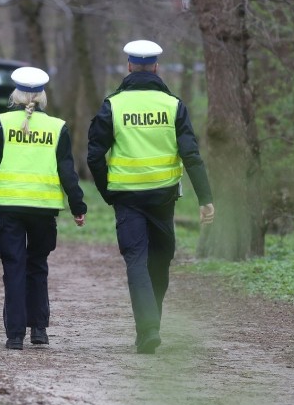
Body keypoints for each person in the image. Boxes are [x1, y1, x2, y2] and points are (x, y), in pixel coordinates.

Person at [87, 40, 215, 355]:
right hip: (163, 199)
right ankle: (150, 326)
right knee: (160, 261)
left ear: (129, 66)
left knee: (136, 261)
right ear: (156, 67)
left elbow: (93, 156)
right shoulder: (173, 105)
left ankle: (148, 329)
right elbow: (192, 155)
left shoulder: (113, 106)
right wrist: (205, 198)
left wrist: (108, 192)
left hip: (127, 199)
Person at [0, 66, 87, 350]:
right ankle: (40, 331)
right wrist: (77, 205)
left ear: (16, 94)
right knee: (37, 265)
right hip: (44, 210)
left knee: (14, 268)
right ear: (43, 96)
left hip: (9, 209)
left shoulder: (0, 124)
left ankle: (15, 336)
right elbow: (67, 171)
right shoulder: (57, 127)